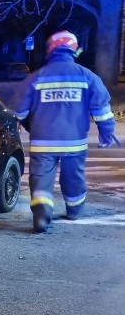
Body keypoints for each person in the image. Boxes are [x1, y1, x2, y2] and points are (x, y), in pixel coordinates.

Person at [13, 30, 118, 233]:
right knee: (73, 177)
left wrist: (30, 125)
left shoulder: (36, 78)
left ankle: (42, 214)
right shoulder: (88, 77)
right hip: (74, 142)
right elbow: (102, 111)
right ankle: (74, 210)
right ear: (73, 50)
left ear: (50, 50)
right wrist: (106, 134)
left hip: (42, 142)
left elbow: (18, 111)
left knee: (41, 178)